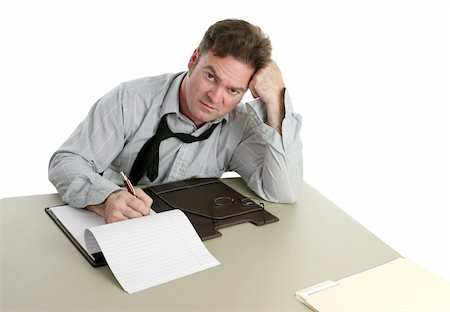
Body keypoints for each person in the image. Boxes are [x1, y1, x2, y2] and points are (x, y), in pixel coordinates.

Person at [48, 19, 303, 223]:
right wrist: (105, 198)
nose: (215, 97)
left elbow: (283, 191)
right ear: (194, 59)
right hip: (112, 229)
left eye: (233, 90)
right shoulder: (131, 100)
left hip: (189, 240)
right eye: (211, 76)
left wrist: (276, 102)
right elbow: (67, 161)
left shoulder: (241, 124)